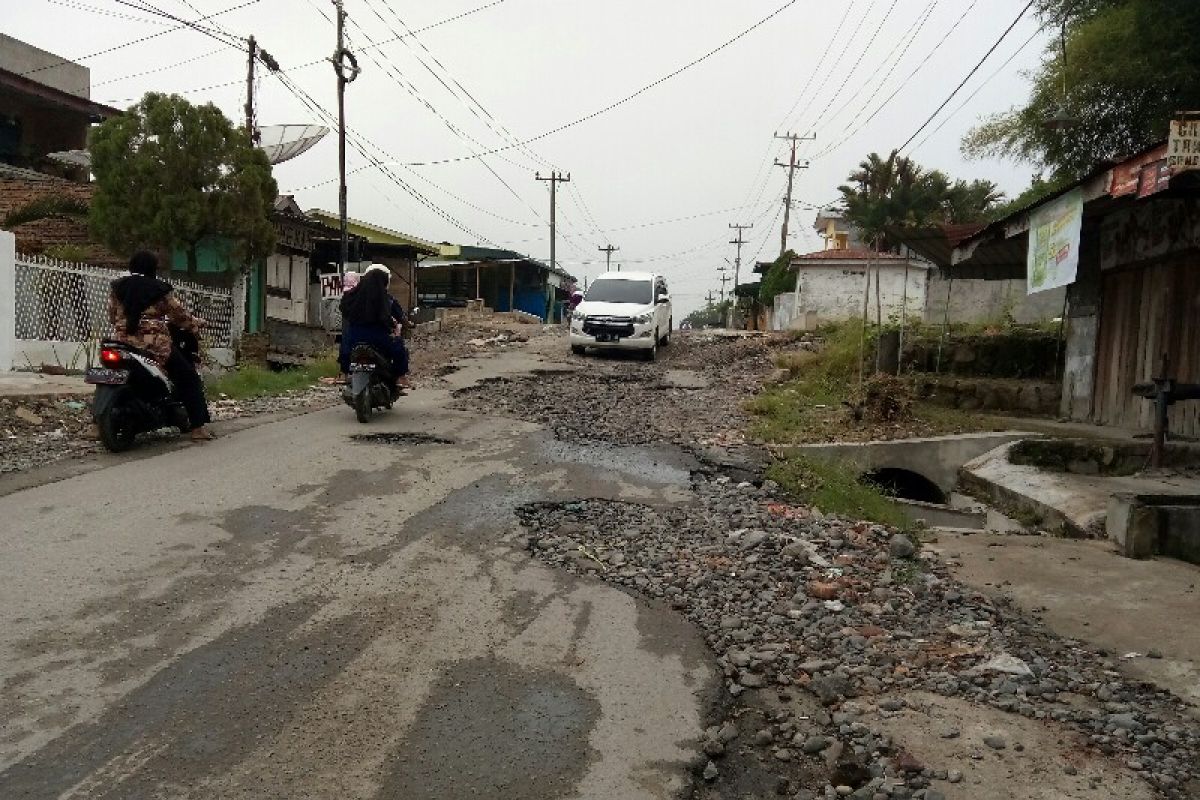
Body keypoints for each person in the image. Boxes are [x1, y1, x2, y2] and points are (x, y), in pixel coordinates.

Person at [107, 251, 214, 441]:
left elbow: (112, 315)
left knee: (110, 376)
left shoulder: (117, 287)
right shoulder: (159, 289)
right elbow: (178, 315)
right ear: (152, 268)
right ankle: (197, 428)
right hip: (153, 344)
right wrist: (194, 323)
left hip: (122, 341)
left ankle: (94, 426)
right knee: (188, 377)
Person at [338, 264, 410, 389]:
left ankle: (343, 374)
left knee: (345, 345)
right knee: (399, 346)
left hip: (355, 337)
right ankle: (401, 377)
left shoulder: (352, 297)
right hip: (378, 339)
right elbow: (389, 318)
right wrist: (393, 325)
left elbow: (344, 310)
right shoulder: (386, 299)